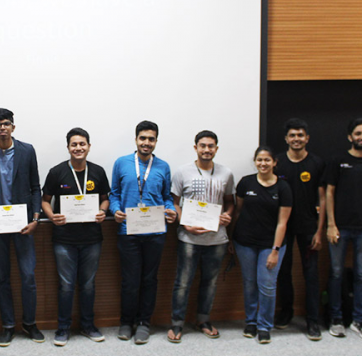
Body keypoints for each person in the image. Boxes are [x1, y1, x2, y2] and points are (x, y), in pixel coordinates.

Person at [0, 108, 43, 346]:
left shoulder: (27, 150)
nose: (2, 128)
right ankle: (8, 326)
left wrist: (36, 219)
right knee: (2, 277)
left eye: (6, 123)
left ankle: (30, 323)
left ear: (13, 127)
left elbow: (35, 187)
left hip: (23, 225)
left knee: (28, 276)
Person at [41, 128, 111, 346]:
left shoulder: (98, 171)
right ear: (68, 147)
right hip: (64, 240)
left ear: (89, 146)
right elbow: (45, 200)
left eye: (82, 144)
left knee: (88, 285)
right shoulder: (57, 172)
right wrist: (51, 216)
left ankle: (88, 325)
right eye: (74, 144)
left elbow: (105, 198)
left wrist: (103, 211)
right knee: (66, 285)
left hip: (92, 239)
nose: (78, 148)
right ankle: (63, 328)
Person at [109, 120, 177, 344]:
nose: (147, 143)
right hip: (128, 231)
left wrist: (170, 209)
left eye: (151, 139)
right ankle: (126, 322)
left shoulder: (163, 166)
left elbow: (167, 196)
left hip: (155, 233)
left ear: (156, 141)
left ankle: (144, 323)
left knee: (149, 279)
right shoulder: (121, 163)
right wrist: (115, 210)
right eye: (143, 138)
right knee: (130, 280)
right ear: (136, 139)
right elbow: (114, 194)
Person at [167, 130, 234, 343]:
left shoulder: (226, 173)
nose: (207, 150)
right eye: (202, 146)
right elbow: (174, 202)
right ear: (195, 147)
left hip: (217, 238)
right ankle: (177, 323)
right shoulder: (182, 172)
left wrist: (227, 215)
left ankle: (203, 320)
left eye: (211, 146)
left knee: (210, 282)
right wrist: (185, 223)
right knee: (183, 282)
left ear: (216, 148)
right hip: (188, 238)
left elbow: (230, 202)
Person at [324, 118, 362, 341]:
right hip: (340, 227)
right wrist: (331, 224)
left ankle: (360, 320)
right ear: (350, 137)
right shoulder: (338, 161)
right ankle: (336, 318)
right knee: (336, 273)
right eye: (358, 133)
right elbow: (329, 192)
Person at [230, 146, 292, 344]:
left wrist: (275, 250)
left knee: (267, 285)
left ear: (274, 163)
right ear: (255, 162)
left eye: (267, 160)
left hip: (270, 245)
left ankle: (264, 326)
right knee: (249, 283)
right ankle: (251, 322)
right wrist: (231, 238)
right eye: (259, 160)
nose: (263, 163)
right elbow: (238, 212)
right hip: (244, 243)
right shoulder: (245, 183)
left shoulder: (283, 187)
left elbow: (282, 223)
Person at [274, 118, 326, 340]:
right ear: (286, 139)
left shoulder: (317, 163)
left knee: (311, 273)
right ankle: (286, 312)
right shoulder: (277, 162)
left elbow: (323, 198)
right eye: (292, 135)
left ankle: (312, 320)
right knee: (283, 271)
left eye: (300, 135)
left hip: (308, 227)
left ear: (307, 138)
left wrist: (319, 231)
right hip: (283, 227)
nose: (296, 139)